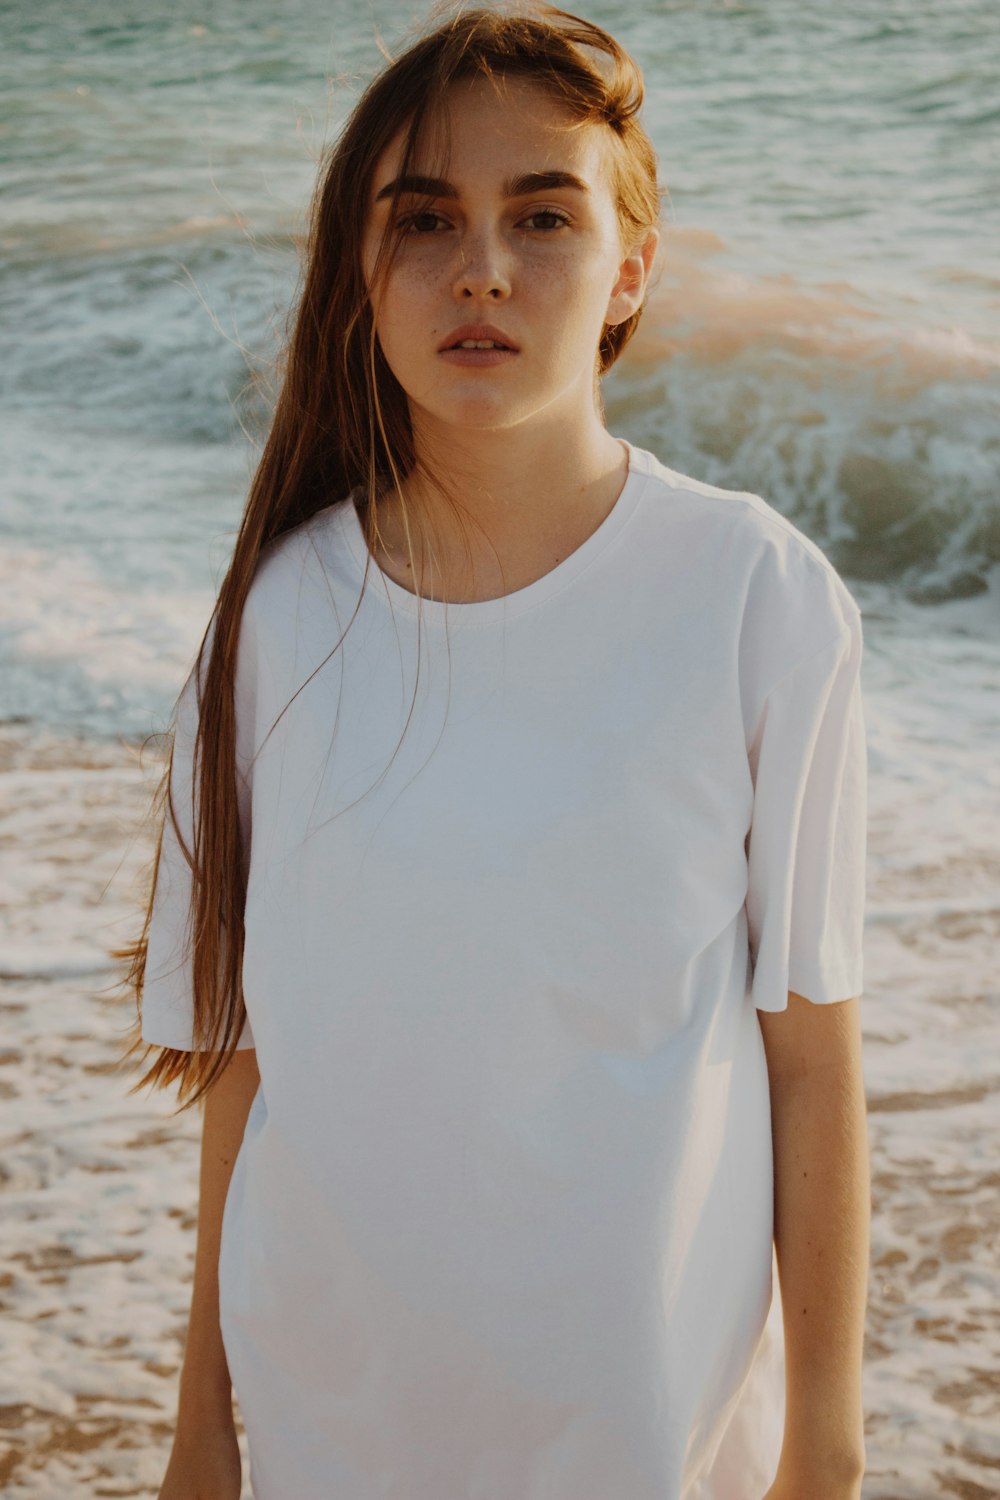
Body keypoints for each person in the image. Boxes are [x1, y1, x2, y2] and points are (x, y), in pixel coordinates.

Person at [117, 5, 871, 1497]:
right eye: (424, 222)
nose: (480, 268)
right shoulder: (275, 620)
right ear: (358, 274)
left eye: (542, 216)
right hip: (336, 1430)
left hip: (649, 1439)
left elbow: (812, 1065)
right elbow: (244, 1075)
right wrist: (202, 1439)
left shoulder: (755, 598)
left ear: (629, 270)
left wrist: (826, 1458)